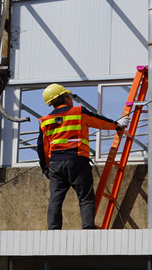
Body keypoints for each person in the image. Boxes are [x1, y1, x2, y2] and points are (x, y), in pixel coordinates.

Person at [37, 83, 130, 230]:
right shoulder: (78, 111)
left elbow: (42, 148)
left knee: (55, 199)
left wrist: (45, 168)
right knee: (85, 198)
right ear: (66, 98)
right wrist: (117, 124)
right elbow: (99, 121)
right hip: (77, 160)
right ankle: (87, 229)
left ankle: (53, 230)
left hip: (56, 165)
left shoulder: (44, 121)